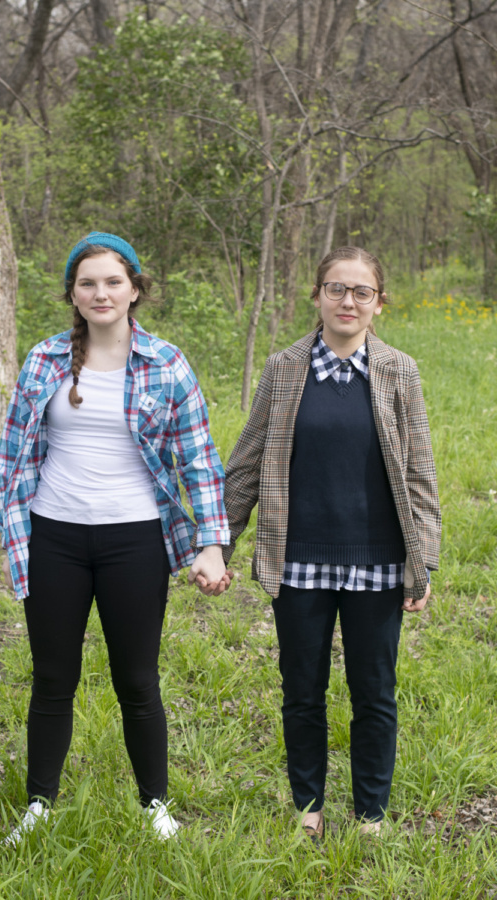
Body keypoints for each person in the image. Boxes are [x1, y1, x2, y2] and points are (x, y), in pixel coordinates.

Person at [0, 232, 231, 846]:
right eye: (87, 282)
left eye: (113, 282)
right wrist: (14, 536)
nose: (101, 293)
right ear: (73, 294)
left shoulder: (166, 363)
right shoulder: (45, 360)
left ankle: (155, 805)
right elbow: (14, 460)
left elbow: (199, 459)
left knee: (137, 680)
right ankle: (39, 806)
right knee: (52, 678)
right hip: (54, 538)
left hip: (134, 540)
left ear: (135, 290)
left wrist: (210, 543)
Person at [222, 246, 441, 840]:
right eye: (336, 289)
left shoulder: (400, 371)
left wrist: (424, 562)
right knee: (303, 691)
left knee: (374, 693)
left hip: (378, 563)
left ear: (379, 302)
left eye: (361, 292)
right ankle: (308, 808)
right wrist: (220, 542)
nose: (348, 301)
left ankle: (370, 813)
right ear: (316, 295)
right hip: (298, 561)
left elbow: (419, 473)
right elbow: (245, 465)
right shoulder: (283, 369)